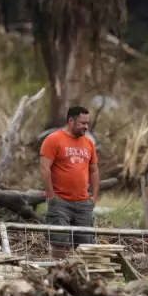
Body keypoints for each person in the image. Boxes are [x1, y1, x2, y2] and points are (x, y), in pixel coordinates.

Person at [39, 105, 100, 258]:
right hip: (60, 202)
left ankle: (82, 278)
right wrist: (51, 196)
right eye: (83, 123)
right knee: (59, 243)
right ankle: (58, 273)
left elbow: (94, 170)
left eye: (87, 123)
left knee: (86, 246)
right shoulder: (53, 139)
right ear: (71, 121)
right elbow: (44, 168)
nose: (86, 127)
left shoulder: (88, 143)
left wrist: (94, 197)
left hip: (83, 202)